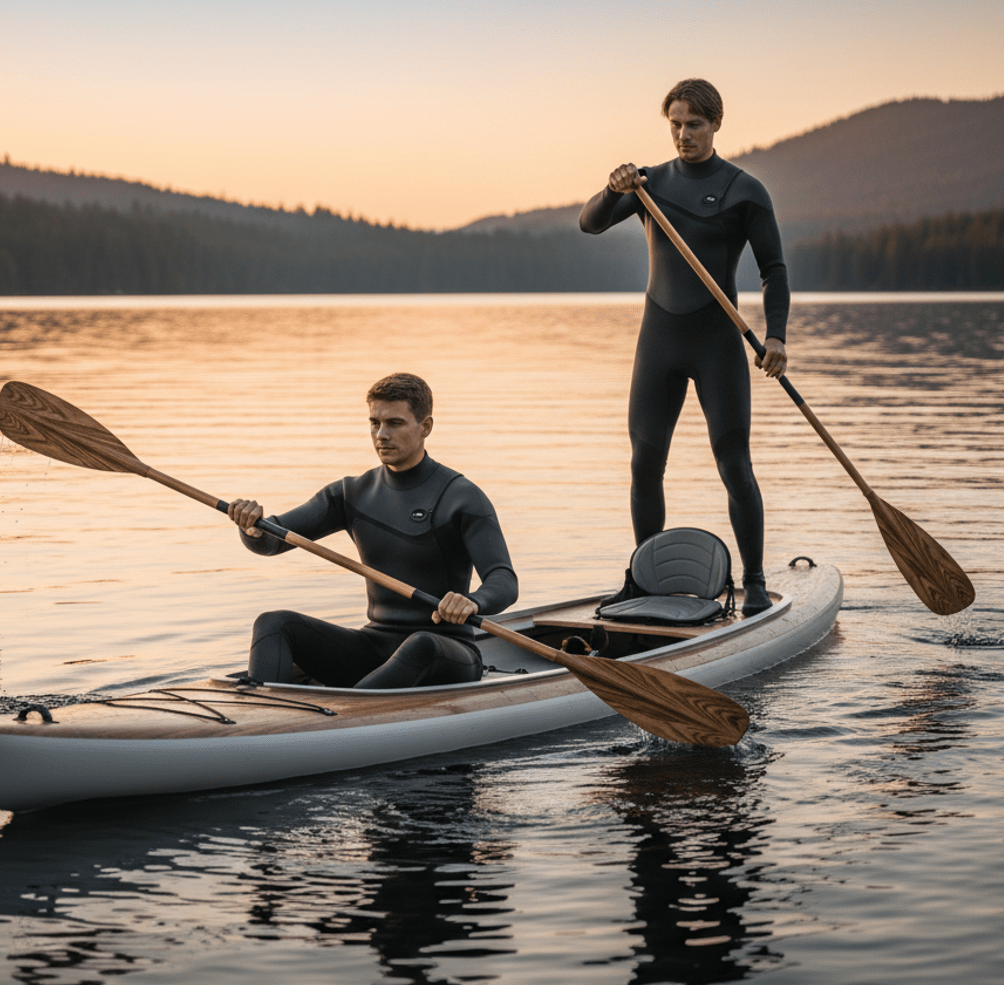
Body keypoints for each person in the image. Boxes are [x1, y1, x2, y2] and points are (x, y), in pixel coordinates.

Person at [578, 78, 789, 615]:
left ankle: (756, 581)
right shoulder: (648, 184)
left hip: (719, 342)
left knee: (734, 464)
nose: (682, 134)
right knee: (645, 463)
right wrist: (613, 186)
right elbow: (590, 224)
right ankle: (645, 579)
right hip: (660, 340)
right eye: (674, 123)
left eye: (694, 123)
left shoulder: (745, 190)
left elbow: (774, 272)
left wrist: (776, 336)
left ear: (716, 124)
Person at [227, 373, 519, 688]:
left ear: (426, 427)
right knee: (274, 623)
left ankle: (345, 718)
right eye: (374, 423)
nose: (381, 434)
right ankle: (263, 714)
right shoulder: (352, 493)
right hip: (375, 647)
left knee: (422, 643)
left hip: (445, 651)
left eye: (395, 423)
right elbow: (274, 540)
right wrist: (253, 528)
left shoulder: (461, 496)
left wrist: (472, 601)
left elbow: (504, 580)